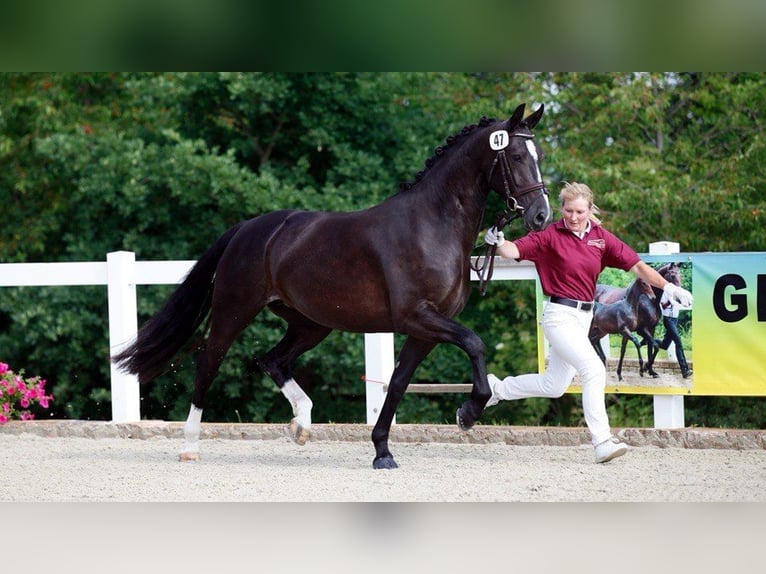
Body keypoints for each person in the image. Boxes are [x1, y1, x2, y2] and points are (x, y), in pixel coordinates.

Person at [483, 181, 693, 463]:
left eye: (580, 211)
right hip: (559, 316)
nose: (573, 217)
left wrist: (669, 288)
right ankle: (602, 441)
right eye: (568, 210)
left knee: (554, 386)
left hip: (585, 317)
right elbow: (514, 250)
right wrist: (498, 242)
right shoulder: (549, 235)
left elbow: (637, 266)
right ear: (562, 209)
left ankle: (495, 389)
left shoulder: (601, 238)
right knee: (594, 369)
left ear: (590, 209)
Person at [658, 287, 693, 378]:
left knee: (664, 345)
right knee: (678, 342)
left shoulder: (679, 291)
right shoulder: (665, 292)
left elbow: (686, 302)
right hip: (668, 320)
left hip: (674, 320)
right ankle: (684, 370)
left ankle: (649, 340)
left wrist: (681, 299)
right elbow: (663, 306)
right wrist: (671, 299)